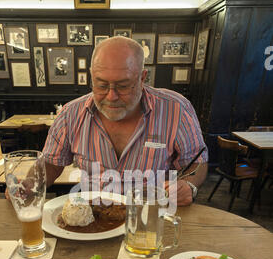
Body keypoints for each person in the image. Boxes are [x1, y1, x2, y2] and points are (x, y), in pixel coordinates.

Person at [42, 36, 208, 206]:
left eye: (123, 86)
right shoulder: (70, 114)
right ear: (92, 76)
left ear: (142, 78)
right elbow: (51, 163)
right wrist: (29, 185)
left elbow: (197, 161)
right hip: (93, 219)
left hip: (149, 218)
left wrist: (189, 185)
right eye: (101, 85)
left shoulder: (176, 109)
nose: (111, 96)